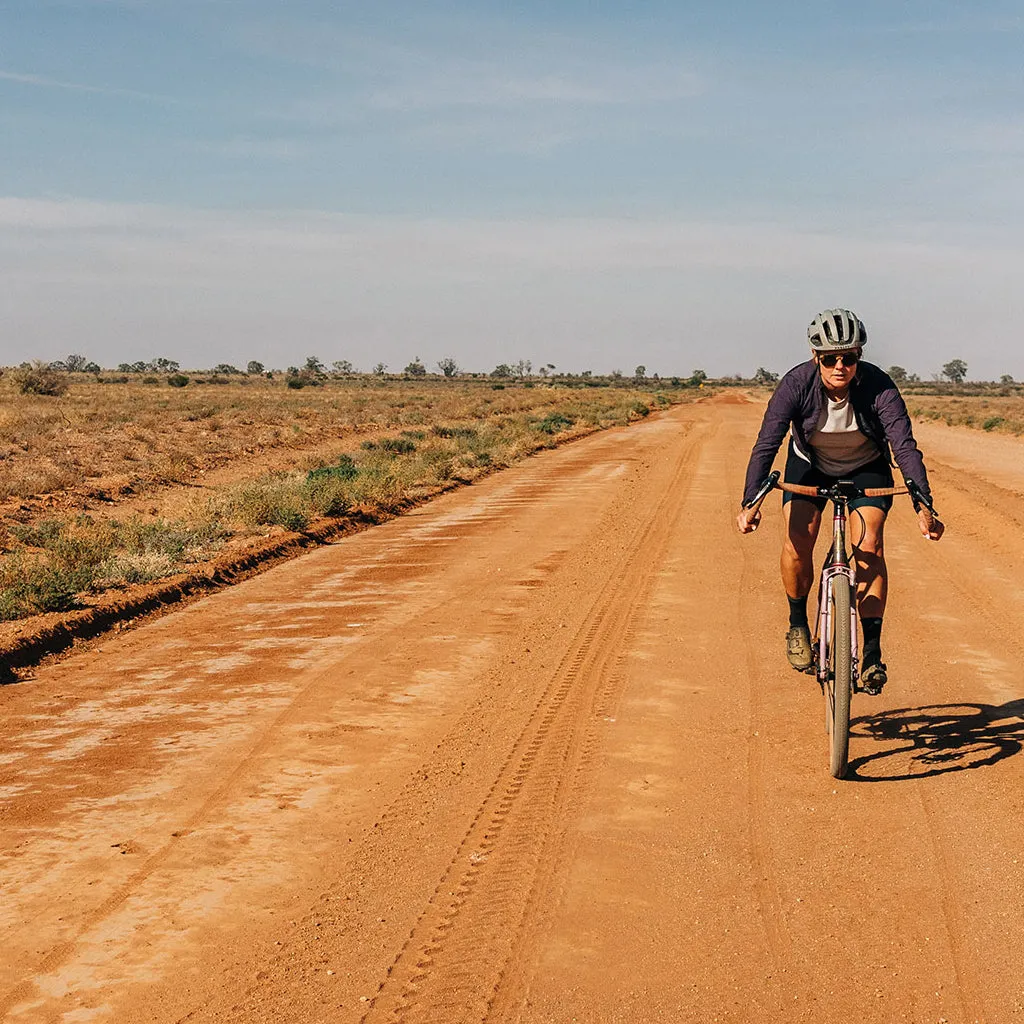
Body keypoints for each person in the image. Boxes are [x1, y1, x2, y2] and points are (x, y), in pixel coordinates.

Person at [736, 308, 944, 692]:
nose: (839, 366)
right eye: (830, 358)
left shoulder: (879, 387)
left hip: (866, 467)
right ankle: (798, 624)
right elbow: (768, 442)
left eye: (848, 357)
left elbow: (904, 446)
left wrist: (923, 505)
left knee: (869, 544)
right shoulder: (796, 385)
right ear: (816, 358)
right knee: (799, 540)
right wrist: (751, 500)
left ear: (859, 357)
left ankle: (871, 654)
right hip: (809, 466)